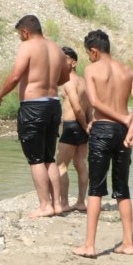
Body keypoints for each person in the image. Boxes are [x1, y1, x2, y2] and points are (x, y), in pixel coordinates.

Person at [72, 30, 133, 258]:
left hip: (103, 130)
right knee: (122, 188)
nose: (88, 58)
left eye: (88, 54)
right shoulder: (126, 69)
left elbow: (94, 101)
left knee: (96, 188)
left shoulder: (92, 69)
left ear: (94, 51)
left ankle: (89, 245)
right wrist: (130, 128)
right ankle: (128, 243)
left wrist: (123, 119)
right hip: (124, 133)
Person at [0, 15, 69, 218]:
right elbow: (65, 77)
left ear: (25, 32)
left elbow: (16, 76)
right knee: (48, 157)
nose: (20, 38)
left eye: (20, 35)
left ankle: (45, 206)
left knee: (35, 159)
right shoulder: (56, 49)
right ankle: (58, 204)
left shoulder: (27, 47)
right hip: (53, 104)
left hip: (33, 106)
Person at [55, 46, 91, 213]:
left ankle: (63, 203)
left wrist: (84, 125)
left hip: (72, 125)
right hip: (82, 127)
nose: (61, 61)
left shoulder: (69, 81)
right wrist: (88, 125)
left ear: (74, 62)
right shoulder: (83, 81)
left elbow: (77, 108)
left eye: (65, 58)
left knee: (61, 165)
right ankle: (81, 202)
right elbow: (89, 106)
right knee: (80, 164)